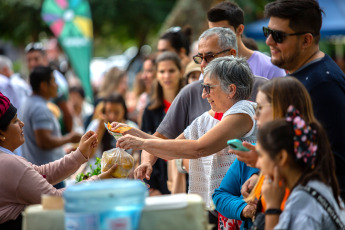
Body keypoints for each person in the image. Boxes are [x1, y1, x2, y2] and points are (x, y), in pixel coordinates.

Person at [114, 56, 257, 210]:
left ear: (231, 89)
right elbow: (170, 151)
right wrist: (136, 133)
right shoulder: (209, 117)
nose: (203, 94)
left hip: (243, 204)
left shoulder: (243, 110)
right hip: (225, 206)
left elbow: (199, 149)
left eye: (208, 87)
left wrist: (142, 142)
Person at [264, 0, 345, 199]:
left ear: (306, 40)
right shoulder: (302, 74)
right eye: (268, 32)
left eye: (278, 36)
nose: (269, 42)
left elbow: (335, 160)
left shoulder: (323, 84)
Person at [0, 92, 117, 229]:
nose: (22, 123)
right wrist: (99, 180)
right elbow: (53, 198)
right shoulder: (9, 164)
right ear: (1, 133)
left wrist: (80, 154)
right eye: (15, 121)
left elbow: (41, 174)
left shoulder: (7, 160)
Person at [213, 77, 317, 229]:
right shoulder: (302, 152)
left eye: (260, 108)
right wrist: (244, 208)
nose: (255, 116)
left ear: (281, 109)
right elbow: (220, 195)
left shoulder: (302, 179)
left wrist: (272, 207)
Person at [256, 107, 345, 229]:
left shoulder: (302, 206)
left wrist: (272, 208)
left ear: (282, 157)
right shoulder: (317, 184)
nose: (257, 164)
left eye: (260, 155)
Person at [19, 66, 81, 189]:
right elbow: (44, 142)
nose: (57, 85)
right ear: (43, 85)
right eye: (53, 81)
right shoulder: (39, 108)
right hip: (49, 176)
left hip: (41, 173)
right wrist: (69, 138)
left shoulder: (28, 102)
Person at [140, 51, 185, 196]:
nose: (166, 76)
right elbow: (145, 145)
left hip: (188, 177)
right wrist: (152, 186)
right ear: (156, 75)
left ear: (180, 72)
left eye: (171, 70)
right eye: (162, 71)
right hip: (160, 181)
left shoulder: (188, 104)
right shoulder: (150, 110)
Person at [207, 1, 286, 80]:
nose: (217, 36)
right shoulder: (209, 67)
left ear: (240, 30)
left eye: (223, 31)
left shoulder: (269, 67)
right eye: (212, 31)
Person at [25, 42, 73, 134]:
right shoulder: (29, 80)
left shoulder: (55, 80)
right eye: (29, 60)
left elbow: (67, 113)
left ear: (45, 59)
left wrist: (67, 138)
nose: (32, 63)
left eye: (36, 59)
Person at [86, 93, 138, 167]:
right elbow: (88, 155)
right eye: (109, 112)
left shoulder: (131, 127)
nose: (112, 116)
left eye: (117, 112)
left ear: (124, 111)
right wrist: (100, 130)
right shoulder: (96, 125)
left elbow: (136, 154)